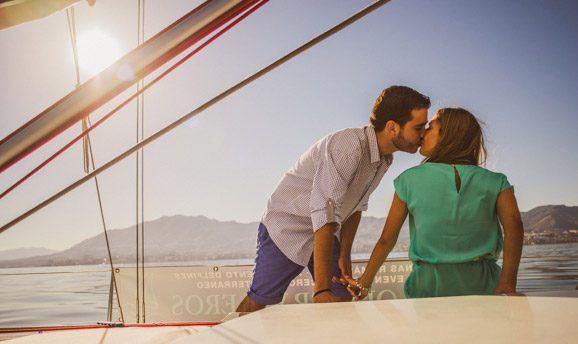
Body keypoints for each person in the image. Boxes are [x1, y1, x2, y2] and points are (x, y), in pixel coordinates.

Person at [235, 86, 431, 312]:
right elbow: (324, 212)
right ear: (392, 128)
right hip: (287, 227)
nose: (423, 133)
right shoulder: (349, 146)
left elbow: (356, 208)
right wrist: (321, 291)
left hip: (326, 232)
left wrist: (344, 254)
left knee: (342, 298)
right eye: (418, 127)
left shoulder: (384, 159)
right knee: (259, 300)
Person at [336, 107, 524, 300]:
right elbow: (514, 228)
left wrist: (365, 282)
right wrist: (508, 284)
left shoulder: (408, 180)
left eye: (431, 127)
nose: (423, 133)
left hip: (429, 287)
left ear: (447, 136)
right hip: (485, 284)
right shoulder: (497, 181)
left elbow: (387, 240)